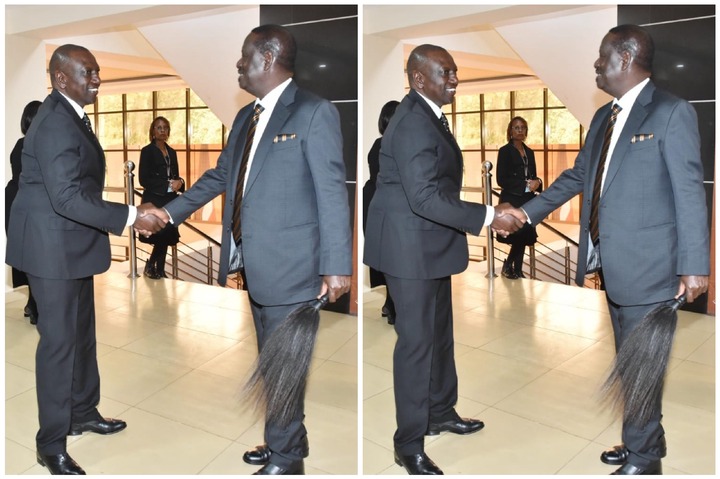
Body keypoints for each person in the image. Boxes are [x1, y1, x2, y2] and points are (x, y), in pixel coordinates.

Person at [506, 25, 709, 475]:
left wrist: (695, 266)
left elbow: (689, 192)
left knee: (641, 366)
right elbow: (579, 177)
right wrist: (525, 214)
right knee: (632, 360)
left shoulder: (671, 113)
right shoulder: (604, 117)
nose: (596, 64)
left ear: (627, 55)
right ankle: (644, 437)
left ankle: (644, 459)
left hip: (652, 265)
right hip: (613, 265)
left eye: (602, 56)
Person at [153, 25, 352, 475]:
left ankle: (287, 459)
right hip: (257, 264)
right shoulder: (247, 117)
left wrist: (337, 266)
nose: (238, 65)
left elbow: (330, 193)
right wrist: (169, 214)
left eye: (244, 57)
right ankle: (284, 437)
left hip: (295, 265)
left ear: (267, 57)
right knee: (272, 360)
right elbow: (221, 176)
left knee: (284, 366)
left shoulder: (313, 112)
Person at [5, 44, 166, 475]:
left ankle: (82, 411)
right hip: (51, 248)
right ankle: (50, 443)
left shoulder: (72, 112)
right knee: (58, 346)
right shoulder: (56, 121)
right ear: (61, 78)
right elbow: (67, 197)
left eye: (97, 71)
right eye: (88, 72)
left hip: (70, 243)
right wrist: (132, 216)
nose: (97, 79)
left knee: (82, 335)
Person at [363, 44, 522, 475]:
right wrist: (490, 216)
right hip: (409, 247)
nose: (455, 79)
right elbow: (426, 197)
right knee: (416, 346)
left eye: (455, 72)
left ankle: (440, 411)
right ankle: (408, 443)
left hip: (428, 243)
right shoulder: (413, 121)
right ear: (418, 78)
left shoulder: (429, 113)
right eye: (445, 72)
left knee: (440, 335)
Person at [5, 100, 42, 324]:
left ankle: (33, 303)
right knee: (34, 256)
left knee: (32, 256)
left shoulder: (23, 143)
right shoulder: (32, 145)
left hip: (18, 201)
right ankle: (36, 307)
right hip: (24, 204)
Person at [363, 100, 399, 324]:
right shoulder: (391, 145)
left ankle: (390, 303)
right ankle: (393, 307)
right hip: (384, 205)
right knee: (393, 257)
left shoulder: (380, 143)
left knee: (389, 257)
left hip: (376, 202)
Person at [138, 116, 185, 279]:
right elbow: (143, 179)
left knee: (166, 235)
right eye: (159, 127)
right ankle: (154, 267)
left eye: (165, 127)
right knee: (160, 234)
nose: (162, 130)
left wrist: (180, 182)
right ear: (152, 131)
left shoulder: (172, 152)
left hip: (170, 200)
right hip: (155, 199)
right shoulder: (147, 151)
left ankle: (157, 268)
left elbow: (177, 176)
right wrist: (166, 185)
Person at [495, 116, 542, 279]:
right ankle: (510, 266)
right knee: (518, 234)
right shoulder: (504, 151)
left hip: (528, 200)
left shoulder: (530, 152)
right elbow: (501, 179)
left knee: (523, 235)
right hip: (512, 200)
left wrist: (538, 182)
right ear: (510, 131)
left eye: (523, 127)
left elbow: (534, 176)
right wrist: (524, 185)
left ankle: (516, 268)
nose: (520, 130)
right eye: (516, 127)